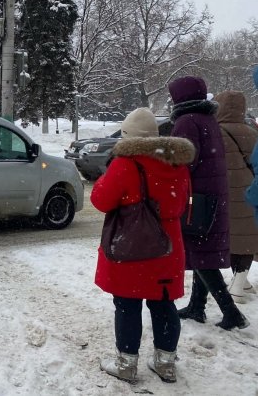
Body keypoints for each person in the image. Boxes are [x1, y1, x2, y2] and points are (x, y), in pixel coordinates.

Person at [93, 108, 194, 384]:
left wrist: (107, 176)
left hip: (132, 247)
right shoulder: (177, 163)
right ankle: (165, 363)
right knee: (163, 304)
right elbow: (181, 201)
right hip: (166, 246)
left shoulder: (126, 164)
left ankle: (126, 364)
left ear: (126, 136)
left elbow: (101, 200)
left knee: (127, 304)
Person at [169, 76, 249, 330]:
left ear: (180, 97)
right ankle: (197, 307)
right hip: (212, 196)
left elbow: (181, 162)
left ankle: (232, 313)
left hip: (196, 200)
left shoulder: (186, 122)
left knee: (199, 254)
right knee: (202, 251)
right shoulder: (208, 119)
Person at [213, 91, 258, 304]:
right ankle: (243, 281)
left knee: (233, 239)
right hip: (250, 191)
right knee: (247, 238)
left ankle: (238, 286)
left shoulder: (217, 132)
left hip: (227, 193)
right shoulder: (252, 132)